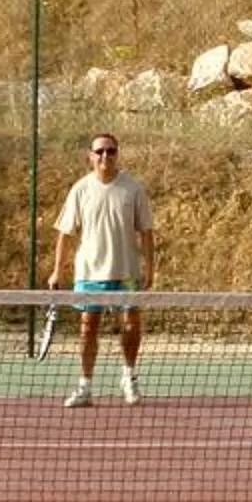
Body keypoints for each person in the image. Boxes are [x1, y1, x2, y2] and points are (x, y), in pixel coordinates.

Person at [47, 132, 156, 407]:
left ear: (117, 154)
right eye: (100, 151)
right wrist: (57, 272)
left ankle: (129, 378)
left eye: (111, 151)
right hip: (89, 275)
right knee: (87, 330)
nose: (105, 156)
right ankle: (85, 386)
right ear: (90, 156)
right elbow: (65, 234)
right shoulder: (80, 190)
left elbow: (146, 232)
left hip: (127, 274)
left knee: (131, 326)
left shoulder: (133, 189)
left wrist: (150, 268)